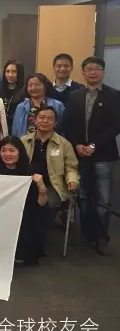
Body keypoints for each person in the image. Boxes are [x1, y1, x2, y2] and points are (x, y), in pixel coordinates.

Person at [64, 56, 120, 255]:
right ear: (83, 72)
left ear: (102, 72)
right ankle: (88, 233)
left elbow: (115, 125)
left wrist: (95, 145)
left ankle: (102, 236)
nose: (93, 72)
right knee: (84, 196)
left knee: (103, 199)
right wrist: (77, 145)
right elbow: (68, 124)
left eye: (97, 69)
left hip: (103, 154)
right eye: (89, 69)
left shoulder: (114, 95)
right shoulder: (75, 96)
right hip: (81, 154)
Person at [21, 106, 79, 254]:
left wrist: (72, 180)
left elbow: (71, 167)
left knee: (48, 204)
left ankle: (38, 242)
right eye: (41, 117)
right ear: (35, 121)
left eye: (49, 118)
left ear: (55, 123)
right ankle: (22, 239)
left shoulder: (64, 144)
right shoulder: (24, 141)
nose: (45, 121)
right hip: (27, 184)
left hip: (53, 186)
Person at [0, 136, 47, 266]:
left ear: (20, 152)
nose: (7, 154)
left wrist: (41, 187)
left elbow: (41, 204)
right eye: (3, 150)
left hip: (23, 215)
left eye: (12, 150)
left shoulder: (30, 172)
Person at [12, 73, 65, 137]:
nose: (33, 88)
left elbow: (63, 130)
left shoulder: (58, 105)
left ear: (45, 86)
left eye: (37, 84)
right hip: (25, 142)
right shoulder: (21, 107)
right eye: (30, 85)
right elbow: (15, 131)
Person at [0, 60, 25, 132]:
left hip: (16, 129)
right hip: (0, 128)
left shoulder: (24, 92)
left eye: (14, 72)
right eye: (7, 71)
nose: (10, 75)